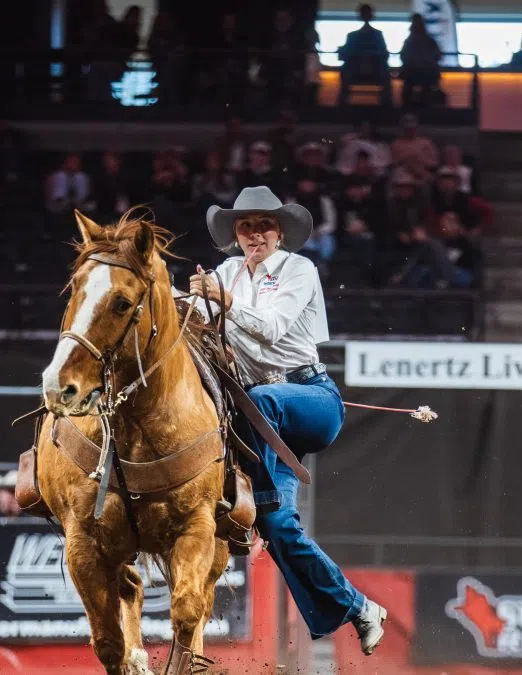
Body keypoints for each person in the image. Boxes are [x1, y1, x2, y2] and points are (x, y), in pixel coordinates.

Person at [183, 186, 388, 655]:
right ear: (236, 234)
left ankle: (247, 507)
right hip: (262, 415)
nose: (255, 234)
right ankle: (358, 608)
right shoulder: (227, 272)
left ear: (279, 232)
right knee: (279, 530)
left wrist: (224, 301)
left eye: (263, 225)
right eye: (246, 226)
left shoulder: (299, 269)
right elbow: (195, 310)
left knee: (260, 399)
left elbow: (273, 327)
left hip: (311, 397)